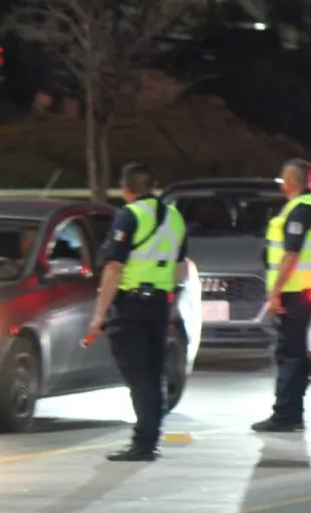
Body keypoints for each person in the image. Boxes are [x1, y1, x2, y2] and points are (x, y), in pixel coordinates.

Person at [87, 162, 189, 462]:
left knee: (139, 376)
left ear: (126, 187)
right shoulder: (175, 218)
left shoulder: (129, 215)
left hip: (131, 305)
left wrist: (99, 314)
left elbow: (114, 267)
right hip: (158, 304)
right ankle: (149, 437)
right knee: (153, 372)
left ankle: (144, 442)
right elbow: (181, 269)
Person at [251, 158, 311, 434]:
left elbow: (291, 254)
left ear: (290, 182)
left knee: (290, 355)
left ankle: (286, 414)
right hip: (304, 290)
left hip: (294, 292)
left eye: (283, 179)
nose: (282, 183)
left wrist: (275, 293)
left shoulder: (299, 210)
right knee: (294, 354)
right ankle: (292, 413)